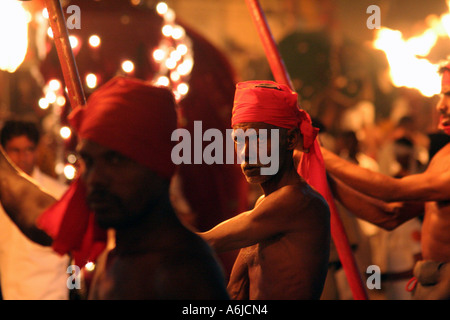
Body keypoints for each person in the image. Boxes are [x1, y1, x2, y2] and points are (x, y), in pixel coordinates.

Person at [0, 77, 229, 300]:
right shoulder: (118, 241)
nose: (95, 179)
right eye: (89, 161)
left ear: (157, 163)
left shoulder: (184, 271)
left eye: (115, 160)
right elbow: (34, 211)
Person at [319, 63, 450, 300]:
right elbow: (389, 215)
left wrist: (319, 153)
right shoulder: (443, 157)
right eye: (442, 95)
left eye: (449, 95)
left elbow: (392, 190)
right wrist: (325, 179)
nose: (441, 105)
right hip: (428, 282)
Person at [199, 81, 330, 300]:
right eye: (239, 141)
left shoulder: (298, 200)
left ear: (289, 140)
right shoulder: (264, 203)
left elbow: (208, 242)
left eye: (258, 139)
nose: (246, 152)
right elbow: (236, 289)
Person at [0, 119, 69, 300]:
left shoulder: (59, 195)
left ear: (37, 151)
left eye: (29, 149)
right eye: (15, 150)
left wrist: (75, 289)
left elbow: (74, 255)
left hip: (52, 294)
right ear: (5, 153)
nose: (23, 157)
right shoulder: (2, 197)